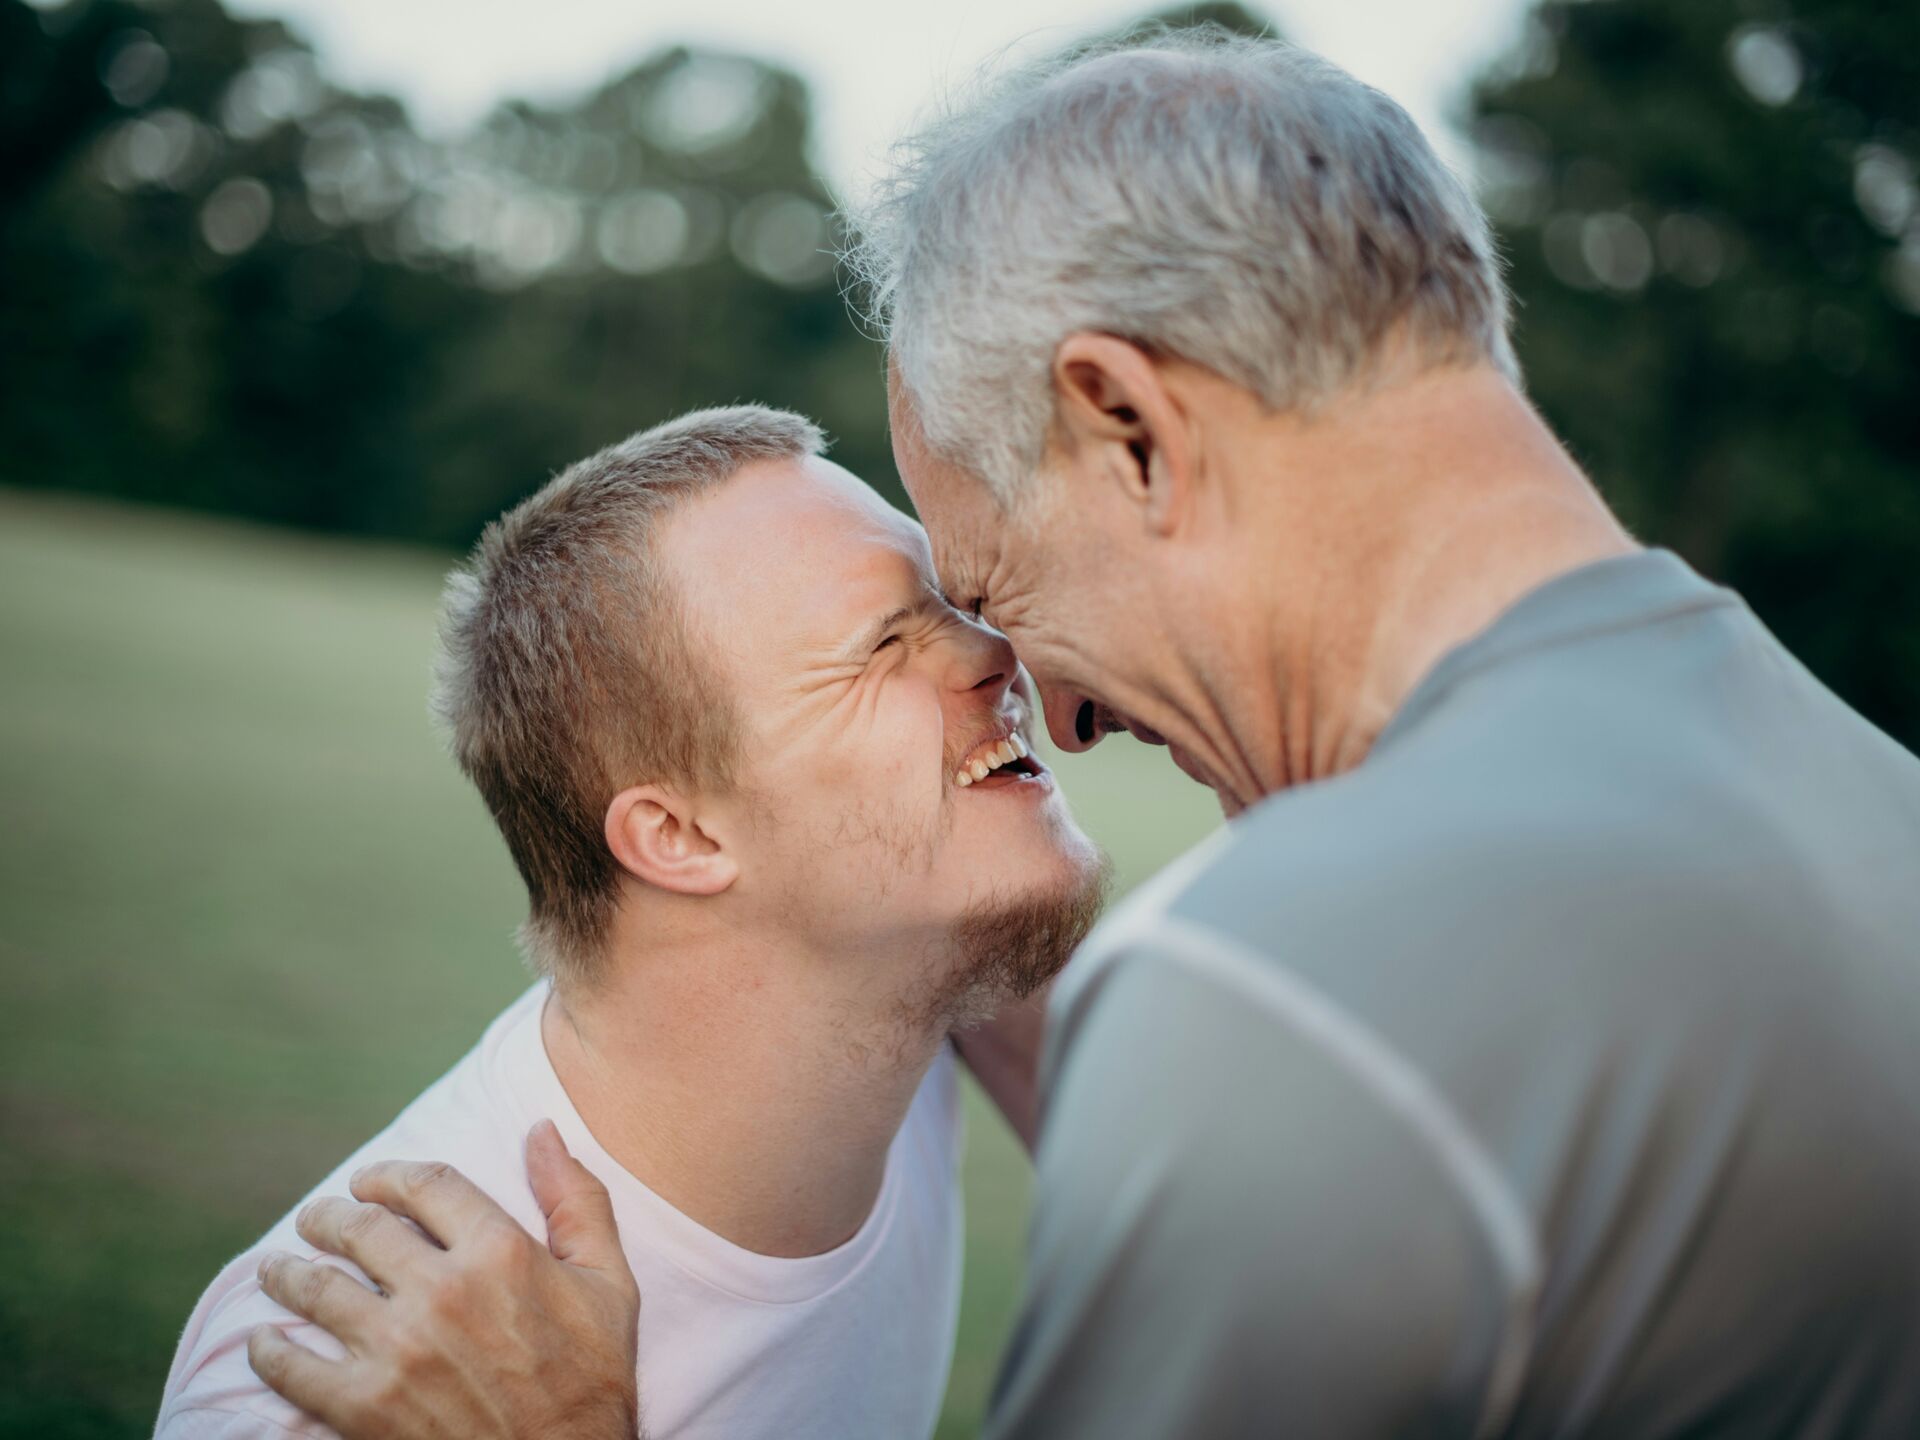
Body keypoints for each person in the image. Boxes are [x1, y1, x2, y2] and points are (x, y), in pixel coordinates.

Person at [249, 29, 1920, 1439]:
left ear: (1128, 428)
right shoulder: (1865, 793)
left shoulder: (1287, 997)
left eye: (993, 583)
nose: (1061, 709)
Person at [156, 405, 1106, 1439]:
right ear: (679, 836)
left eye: (955, 599)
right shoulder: (349, 1376)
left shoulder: (918, 968)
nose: (997, 650)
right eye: (884, 644)